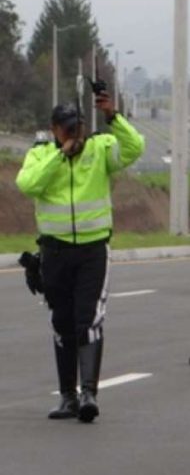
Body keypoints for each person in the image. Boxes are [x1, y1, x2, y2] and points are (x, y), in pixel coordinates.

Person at [15, 92, 145, 422]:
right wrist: (61, 156)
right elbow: (28, 184)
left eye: (79, 128)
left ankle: (89, 393)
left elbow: (134, 148)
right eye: (68, 129)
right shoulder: (41, 155)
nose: (75, 134)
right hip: (55, 251)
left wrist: (113, 117)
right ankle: (67, 397)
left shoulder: (100, 150)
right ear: (55, 129)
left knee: (88, 321)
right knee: (62, 322)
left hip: (92, 251)